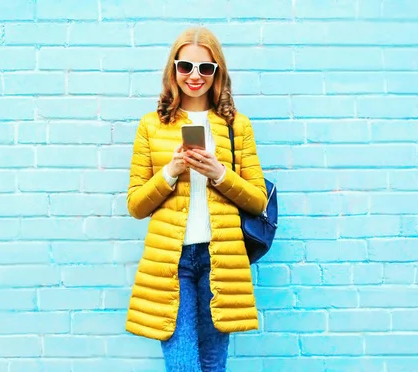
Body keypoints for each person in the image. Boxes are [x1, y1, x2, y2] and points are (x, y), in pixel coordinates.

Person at [125, 26, 268, 372]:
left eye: (205, 68)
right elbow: (136, 205)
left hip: (220, 262)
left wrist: (220, 173)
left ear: (217, 73)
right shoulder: (151, 125)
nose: (194, 76)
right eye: (185, 66)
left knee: (212, 365)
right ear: (173, 69)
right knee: (184, 366)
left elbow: (258, 200)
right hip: (172, 264)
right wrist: (171, 171)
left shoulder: (238, 127)